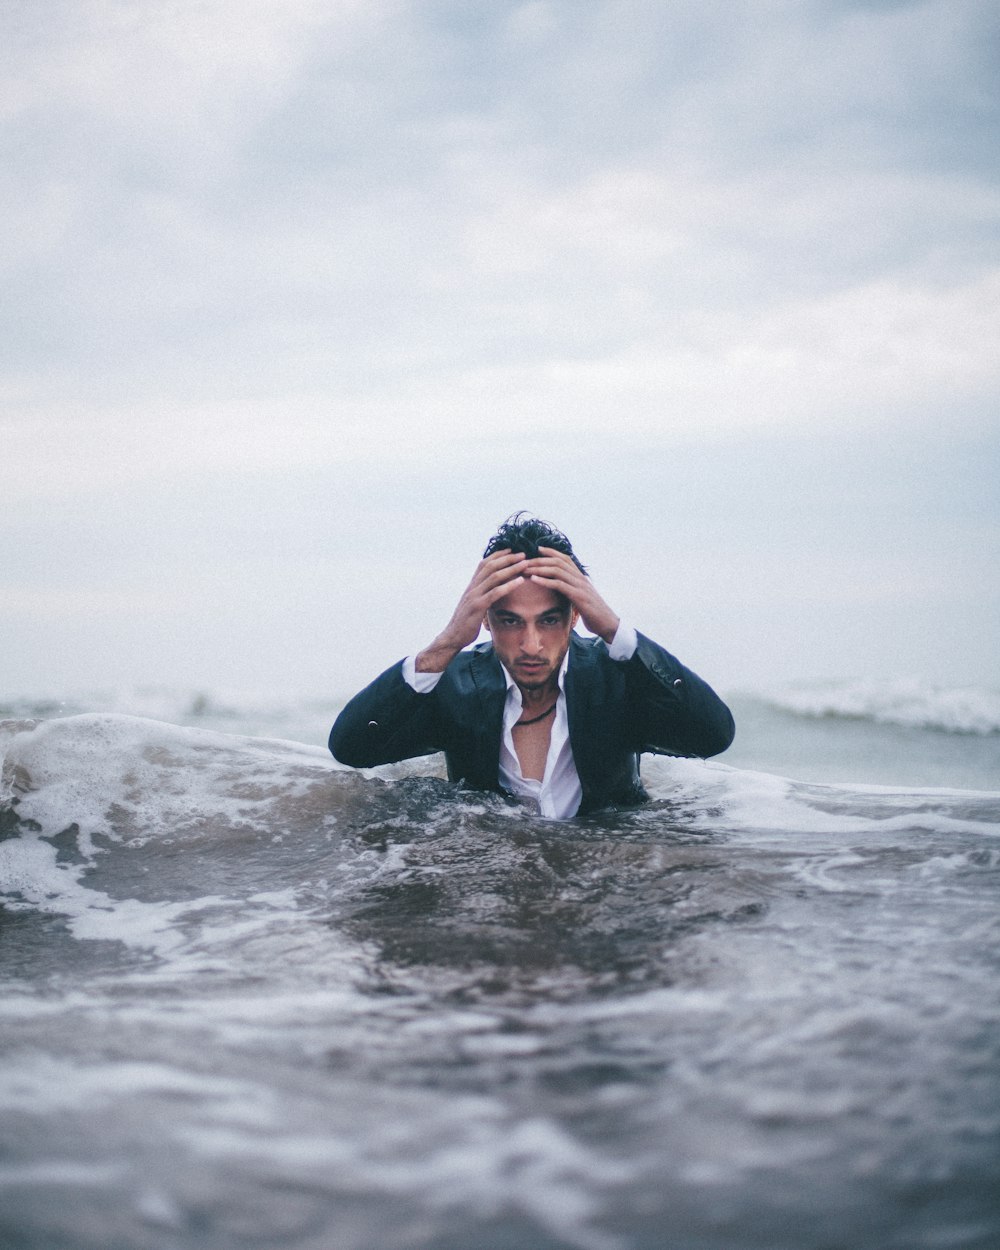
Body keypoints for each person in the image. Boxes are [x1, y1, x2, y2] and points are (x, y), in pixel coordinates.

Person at [329, 514, 734, 818]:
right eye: (510, 621)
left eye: (548, 619)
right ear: (484, 618)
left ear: (575, 615)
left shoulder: (617, 679)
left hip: (606, 882)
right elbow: (352, 749)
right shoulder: (455, 685)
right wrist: (447, 642)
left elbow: (712, 735)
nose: (531, 645)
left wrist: (613, 628)